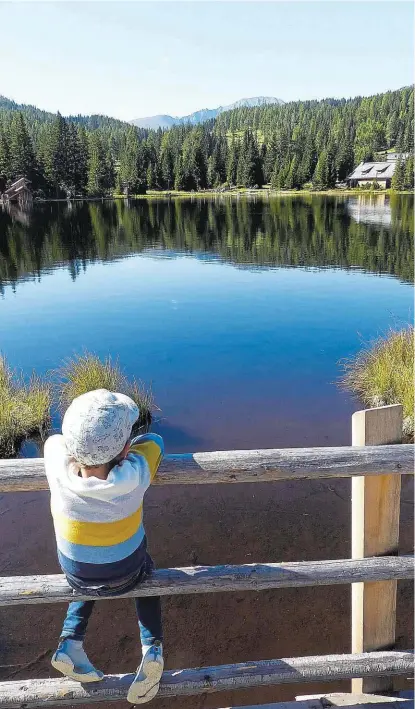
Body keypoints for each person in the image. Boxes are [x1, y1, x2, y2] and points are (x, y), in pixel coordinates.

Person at [44, 389, 164, 704]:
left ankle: (70, 641)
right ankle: (152, 648)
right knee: (148, 575)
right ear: (125, 449)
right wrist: (128, 450)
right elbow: (155, 442)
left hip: (77, 574)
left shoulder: (59, 470)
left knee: (89, 573)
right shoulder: (135, 473)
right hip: (130, 572)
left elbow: (53, 443)